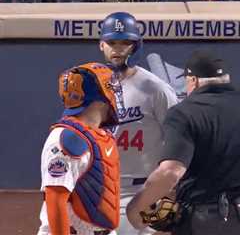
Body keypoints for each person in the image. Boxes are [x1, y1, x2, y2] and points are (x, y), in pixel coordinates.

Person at [126, 50, 240, 235]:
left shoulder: (185, 112)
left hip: (205, 219)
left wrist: (135, 209)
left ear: (193, 80)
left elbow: (171, 172)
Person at [99, 12, 178, 235]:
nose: (118, 49)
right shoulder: (94, 85)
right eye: (112, 42)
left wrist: (170, 191)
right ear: (101, 45)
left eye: (125, 42)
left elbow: (178, 141)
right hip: (100, 190)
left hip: (141, 192)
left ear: (135, 45)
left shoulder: (157, 89)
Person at [37, 62, 125, 235]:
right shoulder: (68, 138)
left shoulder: (100, 135)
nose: (115, 94)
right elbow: (55, 198)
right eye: (111, 88)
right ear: (101, 95)